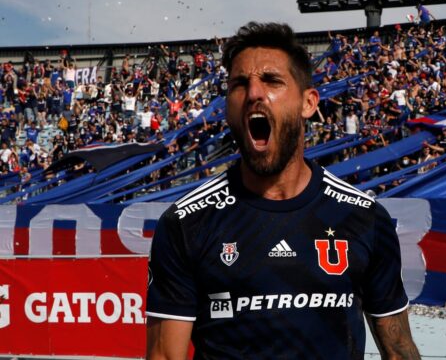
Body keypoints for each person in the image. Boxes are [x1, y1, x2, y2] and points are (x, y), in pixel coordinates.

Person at [146, 22, 418, 359]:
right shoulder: (186, 223)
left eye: (272, 81)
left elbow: (399, 348)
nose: (254, 94)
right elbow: (164, 356)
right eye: (239, 84)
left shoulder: (364, 217)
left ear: (308, 103)